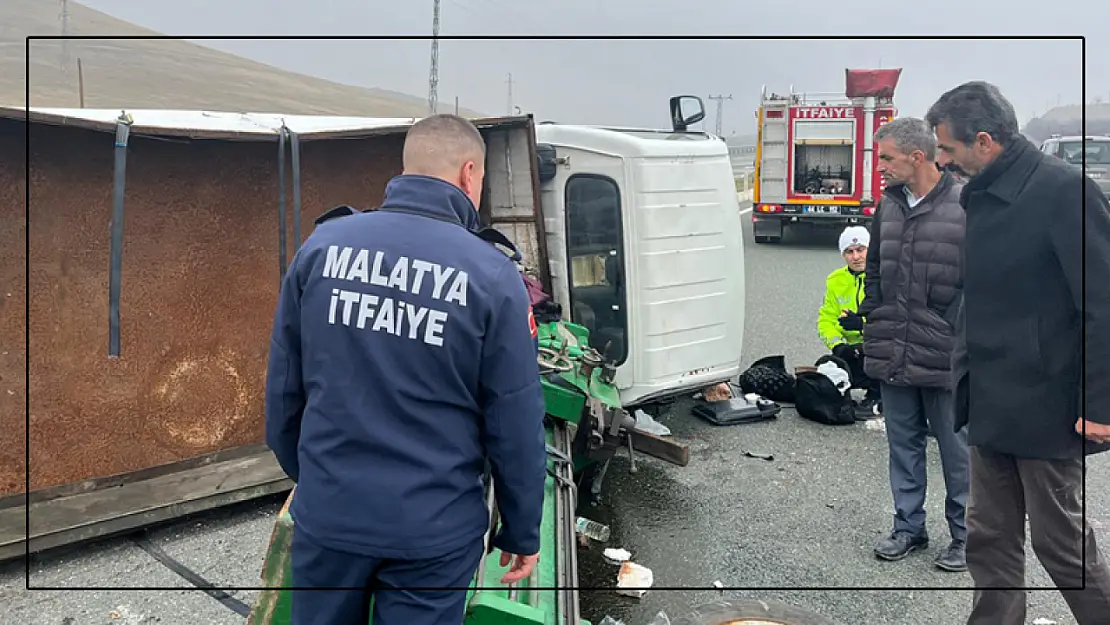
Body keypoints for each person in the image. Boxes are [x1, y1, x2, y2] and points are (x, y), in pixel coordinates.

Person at [264, 114, 548, 625]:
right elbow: (516, 420)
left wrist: (317, 479)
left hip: (331, 516)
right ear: (469, 174)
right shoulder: (492, 276)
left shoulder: (321, 249)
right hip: (432, 532)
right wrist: (522, 528)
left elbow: (284, 391)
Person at [926, 81, 1110, 624]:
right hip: (989, 400)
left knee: (1062, 546)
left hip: (1047, 404)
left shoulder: (1064, 193)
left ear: (984, 141)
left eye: (947, 150)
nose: (941, 161)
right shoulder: (977, 193)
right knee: (989, 540)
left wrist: (1100, 405)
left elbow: (1103, 304)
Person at [856, 116, 970, 572]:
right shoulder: (886, 206)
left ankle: (966, 536)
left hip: (945, 353)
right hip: (892, 345)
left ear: (917, 157)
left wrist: (953, 328)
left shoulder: (966, 205)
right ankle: (909, 527)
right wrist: (875, 313)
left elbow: (980, 280)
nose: (879, 167)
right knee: (903, 443)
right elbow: (878, 269)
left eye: (886, 158)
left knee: (956, 449)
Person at [816, 225, 881, 418]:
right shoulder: (835, 281)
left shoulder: (884, 277)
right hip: (850, 349)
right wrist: (837, 345)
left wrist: (863, 326)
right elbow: (825, 320)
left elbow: (895, 320)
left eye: (861, 250)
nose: (856, 257)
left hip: (878, 346)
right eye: (849, 252)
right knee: (826, 367)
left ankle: (879, 396)